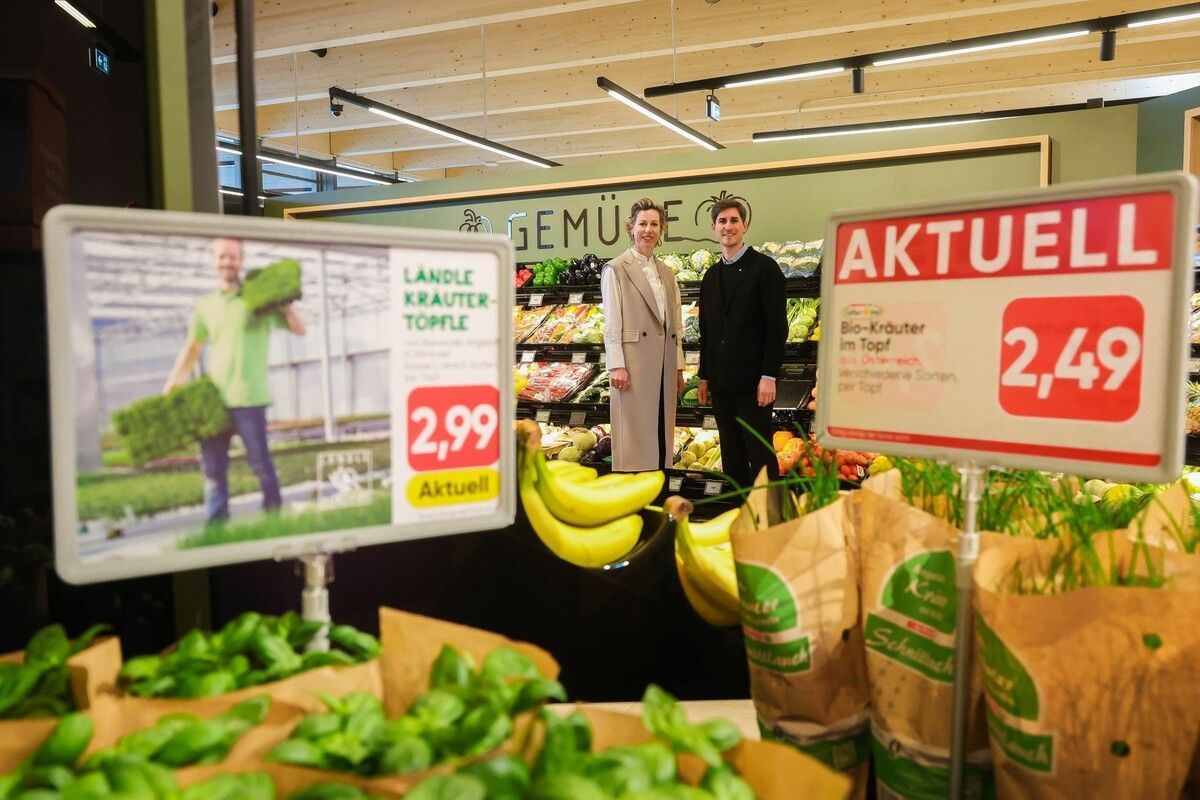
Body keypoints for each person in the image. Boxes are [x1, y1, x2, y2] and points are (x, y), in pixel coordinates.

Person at [164, 238, 306, 524]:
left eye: (232, 257)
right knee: (214, 471)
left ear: (241, 260)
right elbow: (193, 347)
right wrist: (173, 383)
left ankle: (275, 521)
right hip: (215, 400)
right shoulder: (206, 305)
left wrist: (286, 305)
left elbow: (299, 330)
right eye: (221, 257)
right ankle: (216, 527)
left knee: (262, 467)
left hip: (250, 400)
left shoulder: (258, 301)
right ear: (213, 261)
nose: (227, 262)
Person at [696, 199, 787, 488]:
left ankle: (769, 517)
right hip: (722, 384)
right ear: (713, 228)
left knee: (760, 452)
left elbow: (777, 327)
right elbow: (706, 331)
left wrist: (769, 374)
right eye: (722, 221)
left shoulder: (765, 269)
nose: (728, 227)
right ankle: (735, 515)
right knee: (731, 452)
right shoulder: (711, 276)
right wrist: (704, 375)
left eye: (734, 220)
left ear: (744, 225)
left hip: (754, 383)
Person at [600, 198, 685, 471]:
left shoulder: (667, 272)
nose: (648, 230)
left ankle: (658, 490)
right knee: (634, 436)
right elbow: (612, 322)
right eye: (642, 224)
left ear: (661, 230)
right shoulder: (616, 268)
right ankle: (633, 492)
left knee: (660, 432)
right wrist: (616, 364)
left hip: (664, 363)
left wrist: (679, 367)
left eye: (654, 224)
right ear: (631, 227)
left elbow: (676, 326)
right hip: (633, 363)